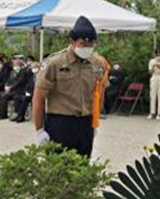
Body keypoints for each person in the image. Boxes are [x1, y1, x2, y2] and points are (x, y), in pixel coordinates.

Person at [33, 16, 110, 157]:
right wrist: (39, 130)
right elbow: (38, 98)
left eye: (91, 44)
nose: (87, 48)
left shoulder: (98, 64)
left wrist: (94, 123)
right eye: (82, 44)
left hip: (86, 123)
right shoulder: (54, 63)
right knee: (57, 172)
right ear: (72, 42)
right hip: (60, 124)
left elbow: (100, 93)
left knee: (82, 169)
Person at [0, 55, 30, 120]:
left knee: (4, 96)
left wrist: (10, 87)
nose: (15, 64)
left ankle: (4, 115)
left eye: (17, 63)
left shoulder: (23, 71)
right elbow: (8, 80)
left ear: (20, 64)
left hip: (18, 91)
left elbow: (19, 82)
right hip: (11, 90)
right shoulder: (12, 71)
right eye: (14, 63)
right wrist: (6, 86)